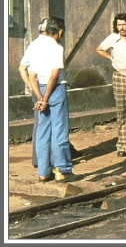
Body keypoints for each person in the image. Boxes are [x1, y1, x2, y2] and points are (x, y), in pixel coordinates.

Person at [19, 19, 81, 169]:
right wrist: (45, 98)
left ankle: (43, 171)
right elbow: (54, 75)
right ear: (59, 32)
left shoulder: (34, 45)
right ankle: (63, 169)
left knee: (42, 131)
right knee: (59, 130)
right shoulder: (56, 48)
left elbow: (29, 73)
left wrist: (38, 96)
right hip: (55, 89)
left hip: (37, 87)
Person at [96, 13, 126, 157]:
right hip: (120, 76)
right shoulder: (112, 38)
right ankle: (123, 145)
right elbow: (99, 49)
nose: (122, 28)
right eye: (119, 25)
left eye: (124, 24)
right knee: (122, 112)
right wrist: (111, 58)